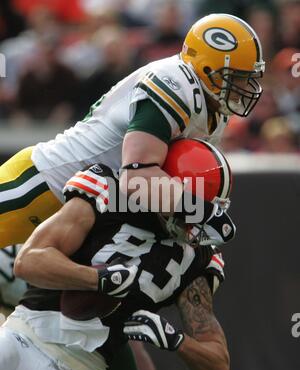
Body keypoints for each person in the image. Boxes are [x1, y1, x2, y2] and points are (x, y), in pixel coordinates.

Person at [0, 13, 265, 248]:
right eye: (237, 77)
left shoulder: (214, 110)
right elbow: (137, 178)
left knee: (40, 301)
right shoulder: (175, 84)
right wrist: (202, 212)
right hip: (45, 184)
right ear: (208, 68)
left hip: (93, 211)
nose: (244, 87)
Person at [0, 140, 233, 370]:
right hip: (22, 339)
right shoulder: (109, 193)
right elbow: (28, 261)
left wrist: (176, 340)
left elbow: (219, 365)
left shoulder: (196, 259)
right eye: (193, 209)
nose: (196, 222)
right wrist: (96, 279)